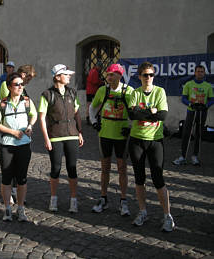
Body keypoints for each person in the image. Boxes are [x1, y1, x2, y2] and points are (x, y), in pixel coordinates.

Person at [127, 61, 175, 232]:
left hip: (155, 140)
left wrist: (147, 115)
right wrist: (151, 112)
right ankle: (142, 212)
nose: (148, 78)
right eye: (145, 75)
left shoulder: (159, 91)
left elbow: (162, 115)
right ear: (139, 76)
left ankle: (167, 215)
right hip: (137, 140)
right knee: (139, 178)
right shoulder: (135, 93)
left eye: (151, 75)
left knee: (158, 178)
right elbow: (132, 114)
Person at [89, 64, 133, 216]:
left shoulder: (128, 91)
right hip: (105, 134)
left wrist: (131, 126)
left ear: (120, 75)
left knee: (122, 168)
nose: (109, 76)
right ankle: (103, 198)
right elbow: (92, 107)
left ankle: (123, 200)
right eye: (108, 74)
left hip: (121, 135)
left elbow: (135, 110)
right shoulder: (103, 90)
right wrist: (94, 121)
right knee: (105, 168)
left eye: (112, 74)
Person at [39, 64, 84, 213]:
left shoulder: (72, 92)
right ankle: (53, 198)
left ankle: (73, 200)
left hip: (72, 134)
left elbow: (76, 113)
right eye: (66, 74)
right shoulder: (47, 94)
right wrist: (46, 138)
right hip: (55, 136)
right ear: (57, 76)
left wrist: (80, 132)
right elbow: (42, 118)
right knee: (55, 168)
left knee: (72, 168)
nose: (69, 76)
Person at [0, 72, 37, 222]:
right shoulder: (2, 104)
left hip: (24, 145)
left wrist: (30, 126)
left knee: (22, 178)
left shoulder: (27, 101)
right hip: (7, 145)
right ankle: (7, 208)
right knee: (6, 178)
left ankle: (20, 209)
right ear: (9, 87)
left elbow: (34, 114)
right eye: (16, 84)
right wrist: (12, 132)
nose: (20, 87)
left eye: (22, 84)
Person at [172, 65, 214, 166]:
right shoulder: (189, 84)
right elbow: (184, 98)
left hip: (202, 112)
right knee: (186, 133)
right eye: (198, 71)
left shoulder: (207, 86)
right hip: (191, 111)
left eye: (202, 72)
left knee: (199, 134)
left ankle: (195, 157)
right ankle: (183, 157)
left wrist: (206, 105)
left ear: (204, 73)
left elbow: (212, 99)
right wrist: (190, 104)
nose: (200, 73)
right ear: (195, 73)